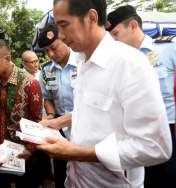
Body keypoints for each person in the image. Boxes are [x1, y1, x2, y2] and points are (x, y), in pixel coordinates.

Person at [35, 0, 172, 187]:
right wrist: (56, 123)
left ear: (91, 17)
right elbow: (93, 111)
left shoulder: (130, 64)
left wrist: (76, 153)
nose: (61, 36)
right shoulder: (83, 62)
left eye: (64, 25)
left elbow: (155, 147)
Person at [106, 5, 176, 188]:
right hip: (136, 132)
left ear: (133, 26)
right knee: (145, 181)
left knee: (169, 178)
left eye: (115, 33)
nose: (113, 40)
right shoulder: (118, 61)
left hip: (169, 126)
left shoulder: (168, 49)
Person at [0, 39, 51, 188]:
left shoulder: (30, 83)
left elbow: (36, 121)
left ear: (7, 59)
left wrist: (30, 149)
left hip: (22, 154)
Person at [37, 23, 80, 188]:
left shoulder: (84, 63)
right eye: (46, 51)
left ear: (64, 40)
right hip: (59, 130)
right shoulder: (46, 71)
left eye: (53, 48)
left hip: (83, 126)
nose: (50, 54)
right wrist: (50, 115)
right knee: (61, 173)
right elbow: (47, 98)